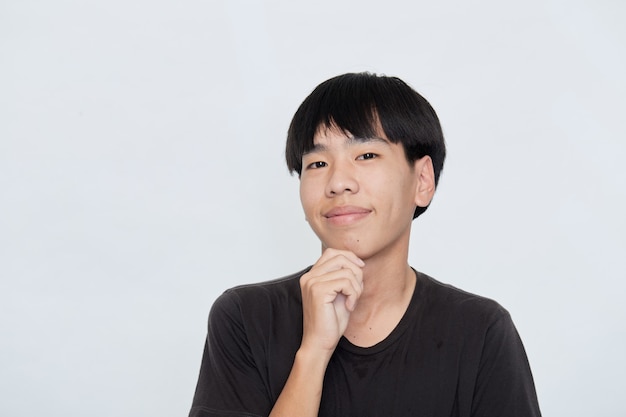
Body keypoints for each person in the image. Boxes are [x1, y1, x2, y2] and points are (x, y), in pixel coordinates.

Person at [189, 72, 542, 417]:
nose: (338, 182)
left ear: (422, 180)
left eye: (366, 156)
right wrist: (313, 353)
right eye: (318, 163)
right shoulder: (244, 319)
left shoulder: (479, 331)